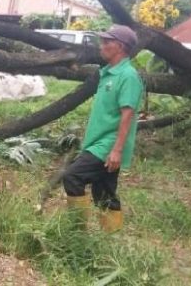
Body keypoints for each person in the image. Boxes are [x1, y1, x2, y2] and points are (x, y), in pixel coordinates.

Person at [62, 25, 143, 232]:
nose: (102, 46)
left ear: (121, 47)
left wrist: (116, 150)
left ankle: (77, 232)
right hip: (98, 141)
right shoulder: (107, 73)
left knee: (72, 176)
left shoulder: (128, 76)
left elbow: (128, 115)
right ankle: (110, 237)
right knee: (104, 193)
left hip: (107, 145)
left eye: (108, 42)